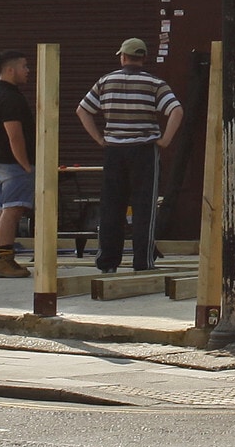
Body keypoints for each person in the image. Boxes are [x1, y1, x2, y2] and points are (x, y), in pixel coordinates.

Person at [76, 38, 183, 273]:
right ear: (143, 58)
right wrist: (165, 140)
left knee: (112, 207)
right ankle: (143, 263)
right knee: (144, 207)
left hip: (114, 152)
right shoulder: (154, 83)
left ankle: (107, 262)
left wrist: (99, 138)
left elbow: (82, 109)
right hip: (144, 151)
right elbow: (176, 109)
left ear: (122, 57)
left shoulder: (106, 81)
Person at [0, 49, 36, 279]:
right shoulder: (9, 98)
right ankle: (4, 261)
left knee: (2, 209)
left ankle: (1, 256)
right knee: (12, 210)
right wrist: (26, 165)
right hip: (11, 165)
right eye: (24, 66)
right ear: (10, 69)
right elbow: (15, 135)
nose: (28, 71)